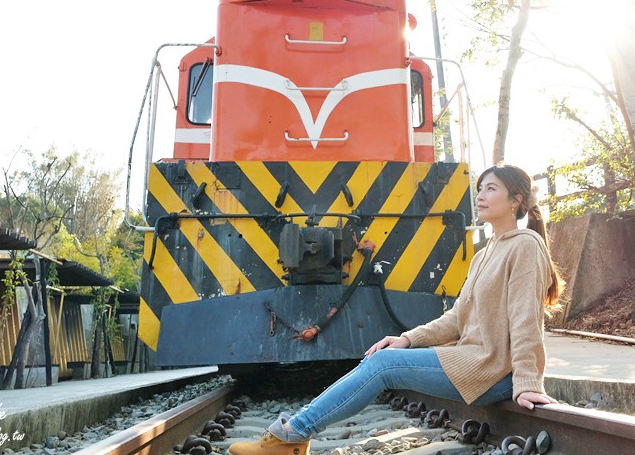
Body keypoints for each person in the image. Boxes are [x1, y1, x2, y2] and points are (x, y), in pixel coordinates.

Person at [228, 164, 565, 455]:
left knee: (382, 366)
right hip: (474, 360)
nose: (480, 195)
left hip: (494, 370)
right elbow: (456, 319)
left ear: (516, 200)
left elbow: (526, 320)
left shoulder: (525, 247)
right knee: (384, 358)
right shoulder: (485, 254)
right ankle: (293, 435)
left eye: (491, 189)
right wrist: (406, 339)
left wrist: (527, 382)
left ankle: (290, 436)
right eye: (479, 188)